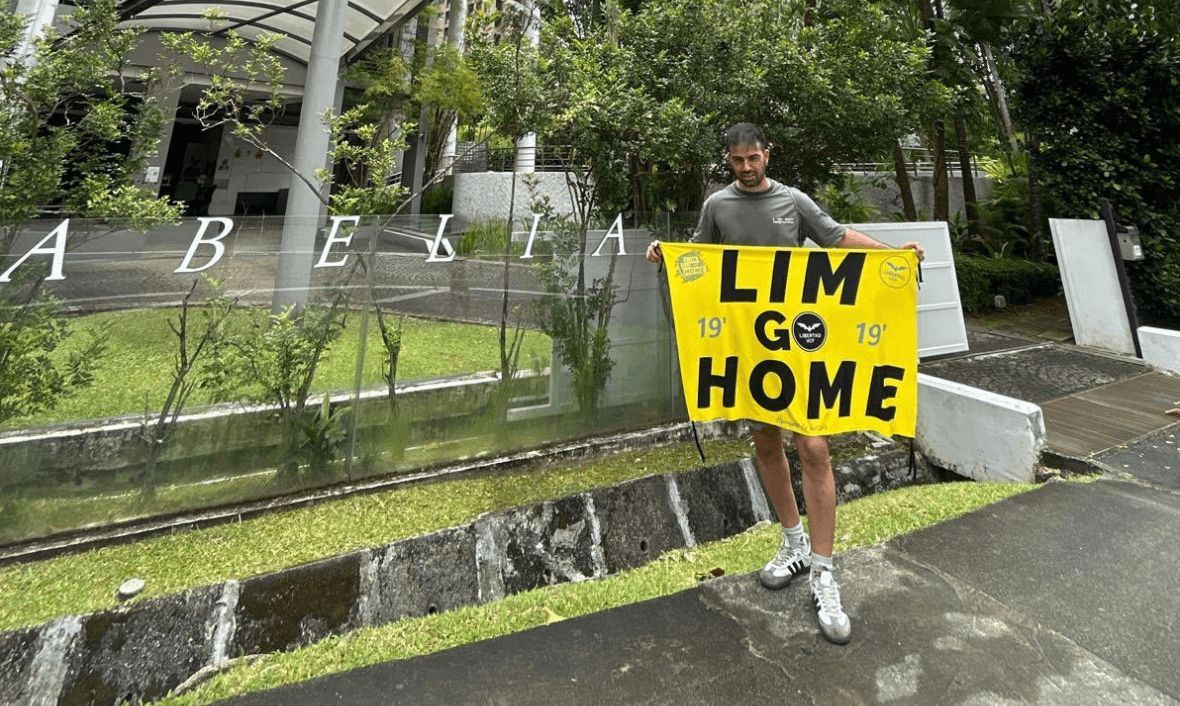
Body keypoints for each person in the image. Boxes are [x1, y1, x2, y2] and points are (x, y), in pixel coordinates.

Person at [646, 122, 925, 645]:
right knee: (766, 443)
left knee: (813, 447)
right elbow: (700, 261)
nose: (747, 169)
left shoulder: (792, 200)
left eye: (754, 159)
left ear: (766, 155)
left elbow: (837, 237)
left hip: (799, 346)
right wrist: (668, 255)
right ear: (728, 161)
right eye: (738, 162)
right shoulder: (717, 206)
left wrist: (893, 256)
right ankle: (792, 543)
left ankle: (823, 570)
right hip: (752, 352)